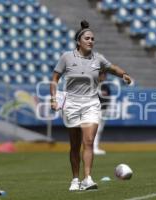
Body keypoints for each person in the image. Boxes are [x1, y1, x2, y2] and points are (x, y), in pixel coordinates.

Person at [50, 20, 132, 191]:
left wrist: (123, 74)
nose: (90, 41)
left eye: (93, 39)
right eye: (87, 38)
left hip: (91, 103)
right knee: (74, 144)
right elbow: (55, 79)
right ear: (78, 41)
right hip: (71, 103)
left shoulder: (98, 58)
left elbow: (112, 68)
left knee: (88, 141)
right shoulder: (67, 57)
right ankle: (75, 179)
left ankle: (87, 178)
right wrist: (53, 98)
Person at [93, 71, 111, 155]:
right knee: (95, 130)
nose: (104, 77)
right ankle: (94, 148)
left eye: (105, 75)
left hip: (104, 111)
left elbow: (108, 98)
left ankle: (95, 147)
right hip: (95, 110)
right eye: (102, 75)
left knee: (99, 130)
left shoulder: (105, 86)